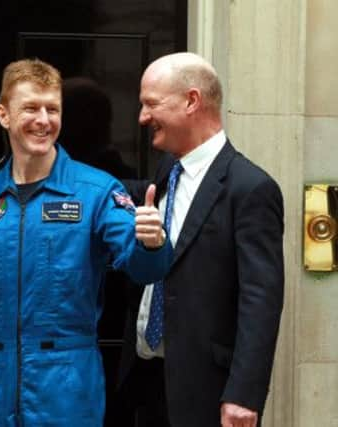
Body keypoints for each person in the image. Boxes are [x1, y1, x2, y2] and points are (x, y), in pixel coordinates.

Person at [0, 58, 173, 427]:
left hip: (67, 389)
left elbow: (144, 268)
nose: (43, 120)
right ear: (4, 115)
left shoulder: (97, 191)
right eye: (30, 108)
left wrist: (152, 242)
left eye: (53, 109)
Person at [118, 52, 284, 427]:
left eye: (150, 104)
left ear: (191, 101)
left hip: (207, 391)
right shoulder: (166, 172)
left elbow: (261, 301)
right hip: (146, 380)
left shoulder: (251, 189)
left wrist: (244, 394)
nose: (143, 117)